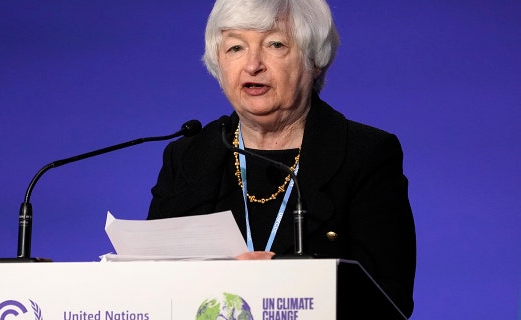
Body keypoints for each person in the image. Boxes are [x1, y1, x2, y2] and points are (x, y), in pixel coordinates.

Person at [147, 0, 416, 317]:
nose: (252, 65)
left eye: (275, 44)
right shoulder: (189, 154)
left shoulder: (363, 154)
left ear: (313, 60)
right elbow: (152, 286)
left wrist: (283, 275)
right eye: (235, 48)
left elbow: (389, 298)